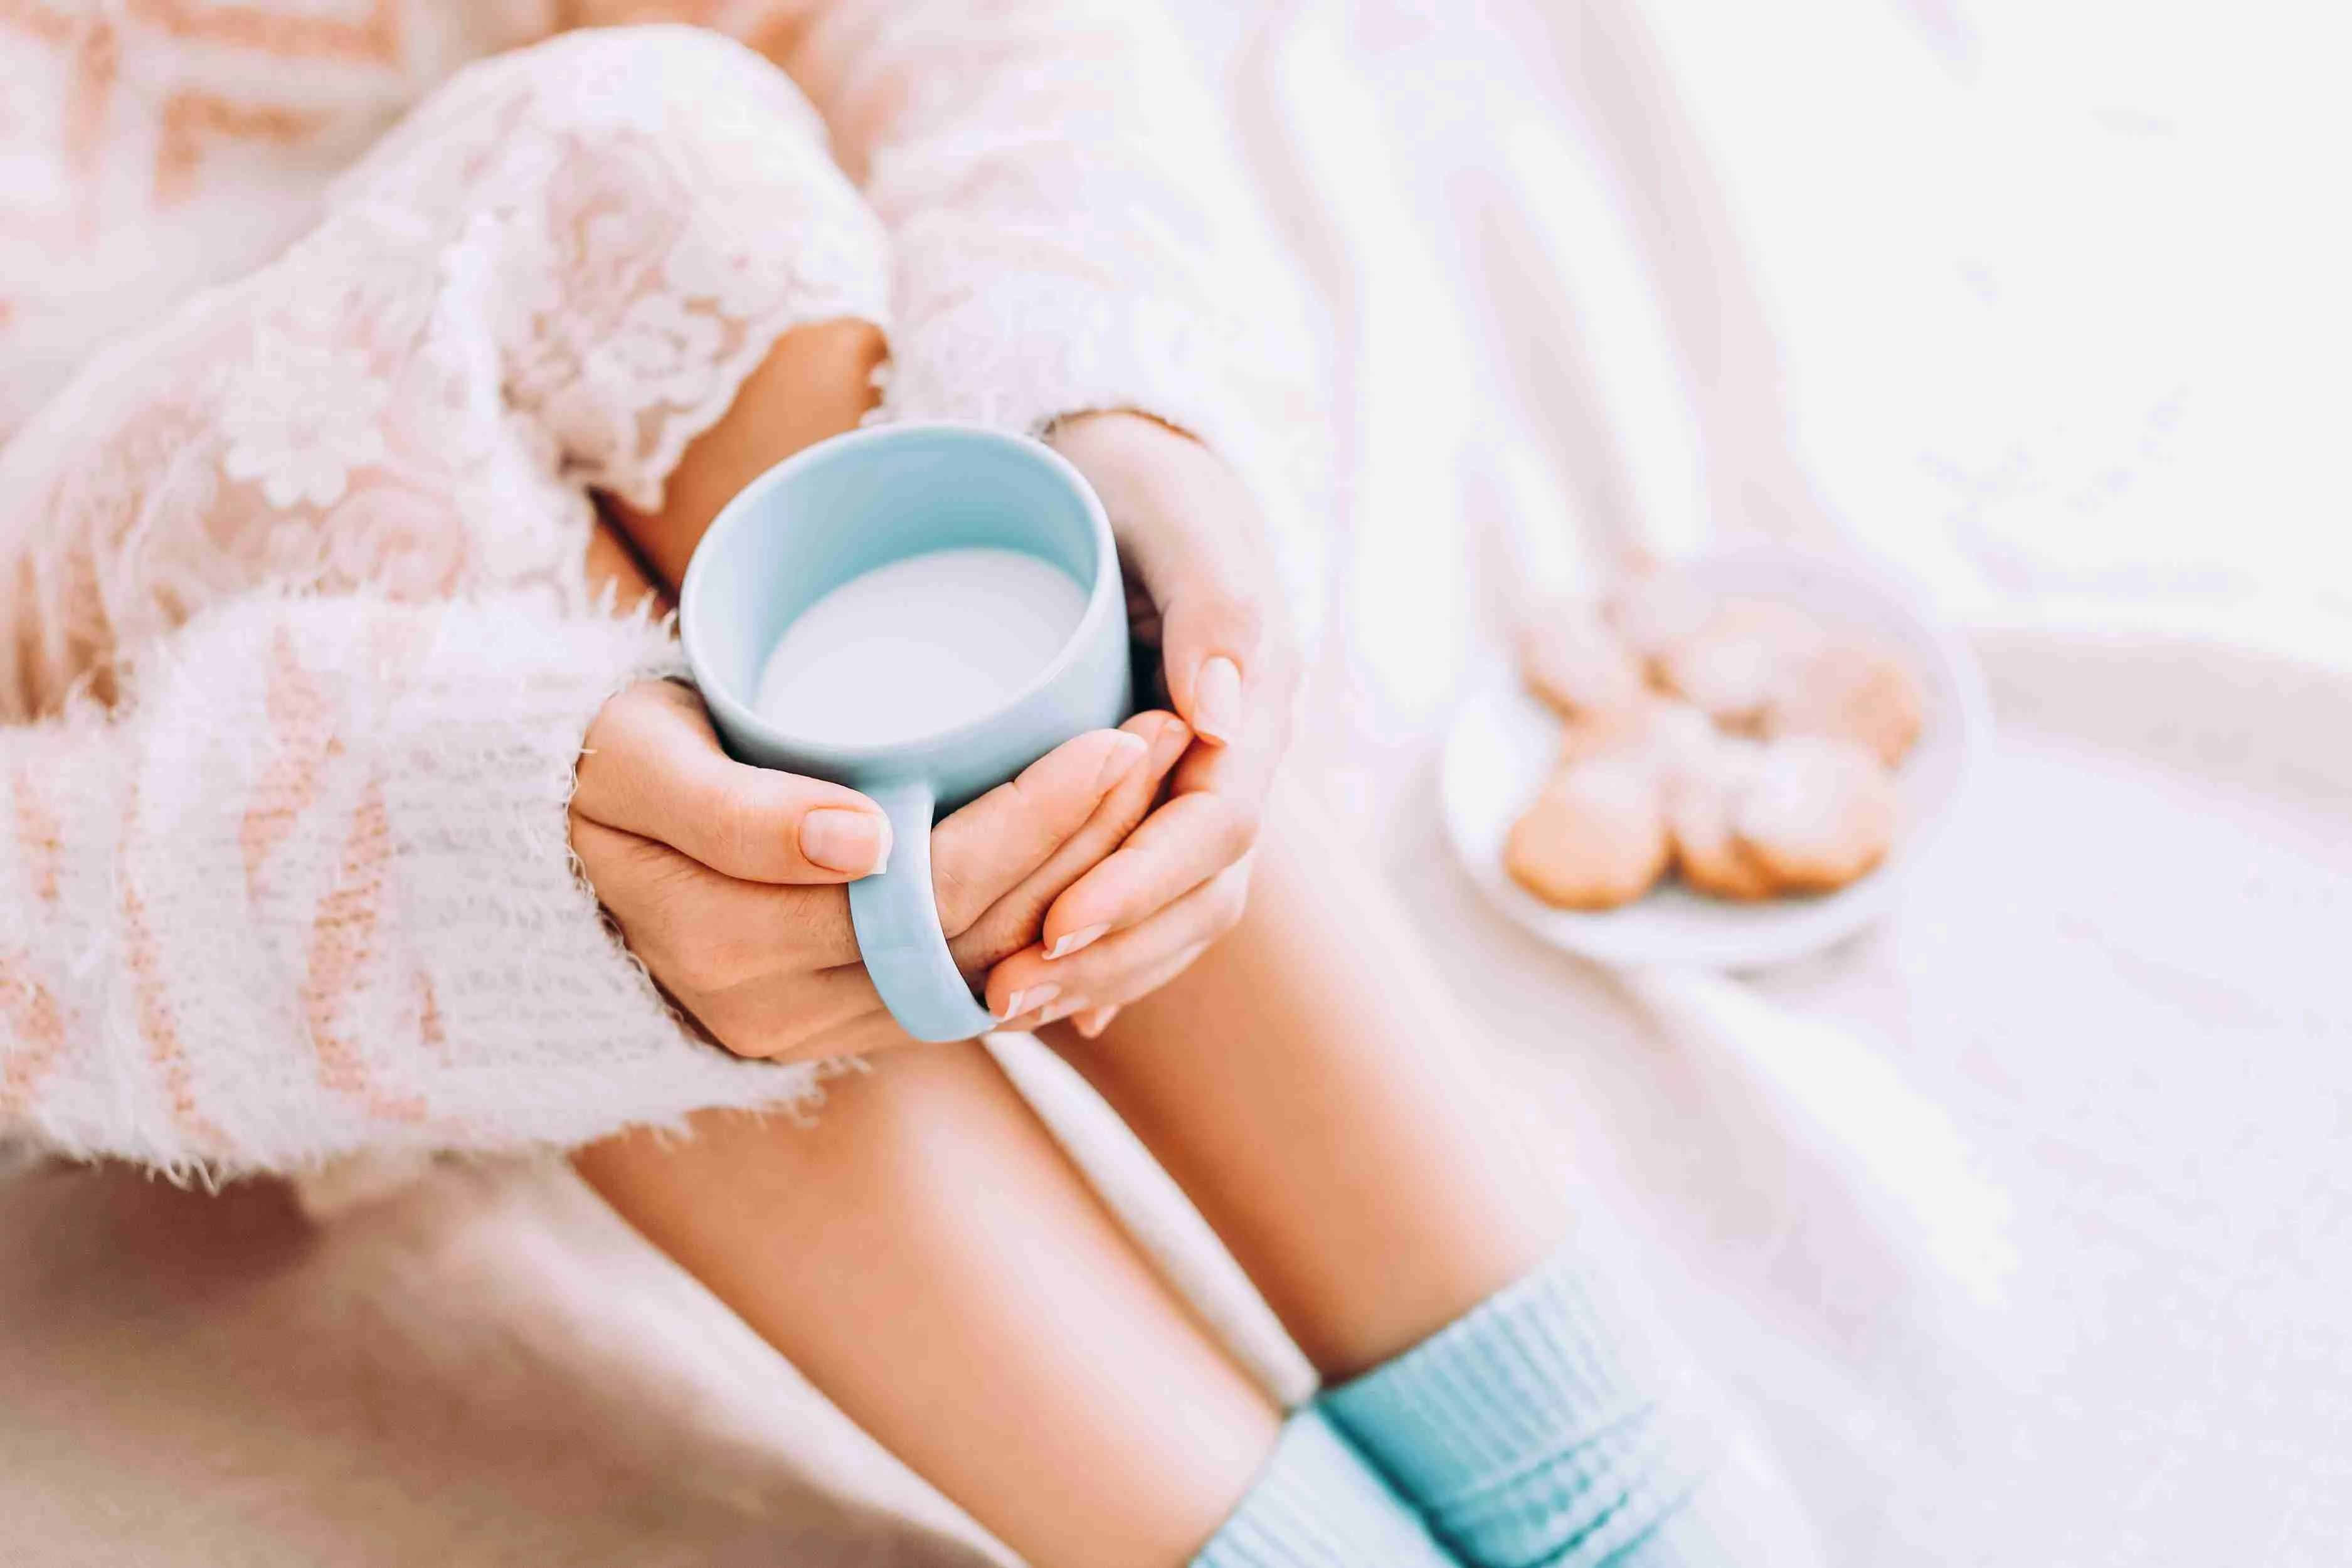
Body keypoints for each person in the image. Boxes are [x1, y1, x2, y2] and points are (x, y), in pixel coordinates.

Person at [0, 6, 1802, 1564]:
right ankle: (1589, 1500)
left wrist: (1103, 403)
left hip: (622, 446)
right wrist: (448, 872)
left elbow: (990, 41)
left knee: (637, 163)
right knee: (477, 279)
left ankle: (1592, 1494)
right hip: (124, 766)